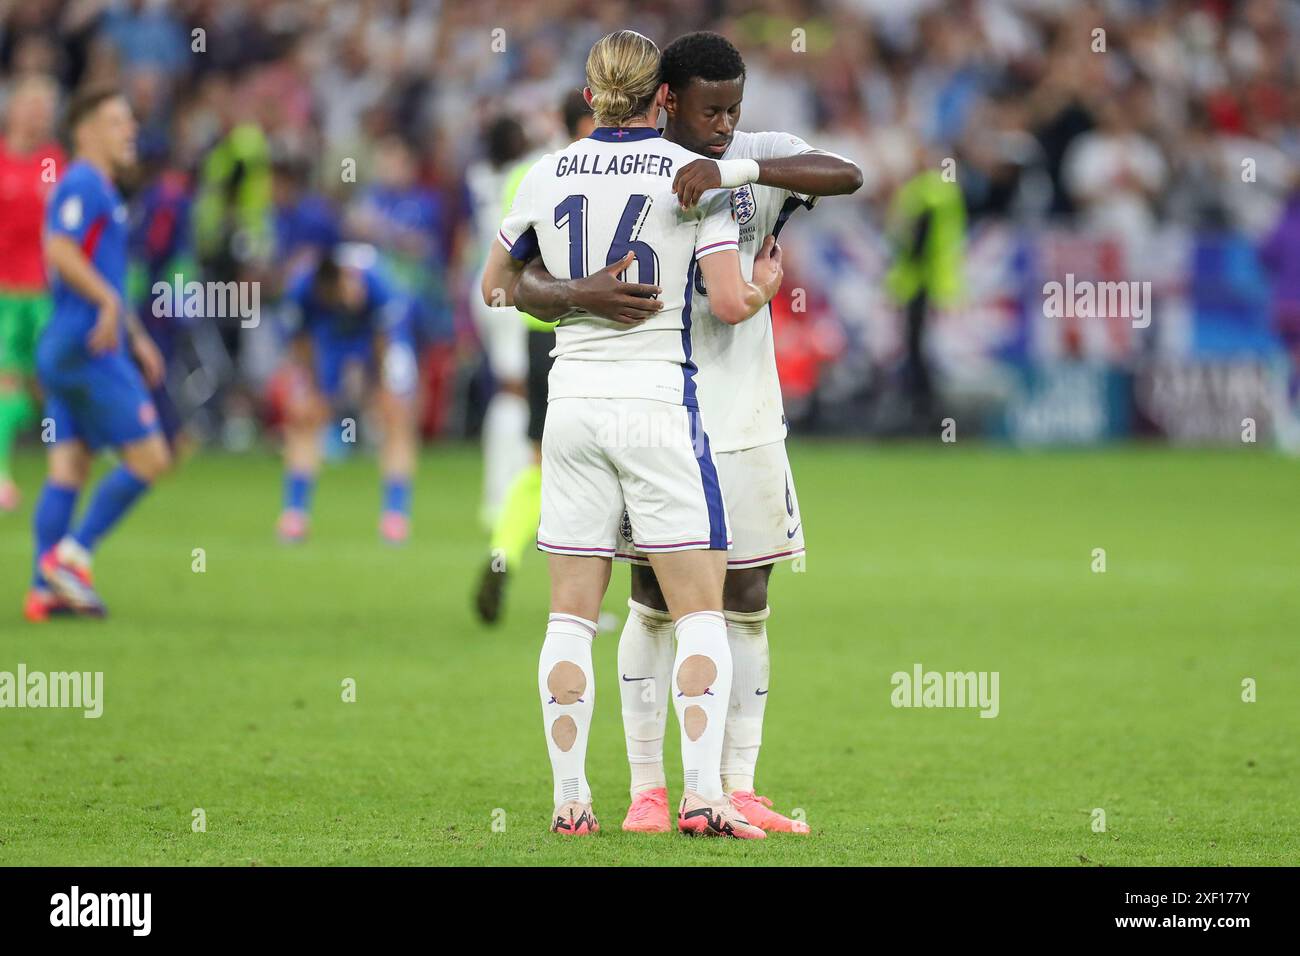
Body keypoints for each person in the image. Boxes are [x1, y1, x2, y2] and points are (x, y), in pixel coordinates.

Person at [512, 31, 864, 834]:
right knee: (652, 605)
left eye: (736, 109)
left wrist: (740, 168)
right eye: (711, 110)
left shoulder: (745, 157)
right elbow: (524, 277)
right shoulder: (643, 174)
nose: (725, 125)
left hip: (743, 419)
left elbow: (847, 174)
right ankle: (650, 789)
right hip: (662, 413)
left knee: (748, 600)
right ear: (664, 99)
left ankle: (735, 786)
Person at [26, 86, 171, 621]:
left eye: (129, 121)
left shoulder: (104, 189)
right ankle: (70, 559)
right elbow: (59, 248)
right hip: (88, 345)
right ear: (84, 130)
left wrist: (137, 335)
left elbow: (102, 273)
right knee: (152, 457)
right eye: (116, 122)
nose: (128, 130)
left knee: (69, 466)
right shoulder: (82, 184)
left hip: (78, 344)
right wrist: (108, 304)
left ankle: (44, 591)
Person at [275, 244, 418, 544]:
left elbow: (385, 340)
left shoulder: (377, 284)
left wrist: (378, 386)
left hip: (380, 338)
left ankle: (395, 516)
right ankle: (295, 514)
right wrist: (313, 388)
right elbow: (300, 342)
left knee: (394, 416)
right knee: (305, 415)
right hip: (331, 339)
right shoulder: (302, 290)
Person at [0, 74, 64, 512]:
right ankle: (3, 476)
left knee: (50, 381)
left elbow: (62, 225)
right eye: (33, 106)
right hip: (5, 292)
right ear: (14, 109)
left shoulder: (52, 162)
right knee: (7, 380)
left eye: (47, 108)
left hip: (44, 291)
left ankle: (63, 468)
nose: (40, 115)